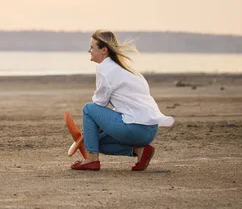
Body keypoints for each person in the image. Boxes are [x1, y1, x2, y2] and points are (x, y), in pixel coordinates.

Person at [71, 30, 174, 171]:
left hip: (135, 128)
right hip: (150, 130)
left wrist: (92, 130)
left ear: (104, 50)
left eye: (92, 47)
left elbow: (99, 103)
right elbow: (125, 105)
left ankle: (92, 160)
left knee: (88, 109)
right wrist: (91, 134)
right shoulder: (126, 68)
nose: (89, 50)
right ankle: (140, 151)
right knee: (95, 142)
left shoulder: (105, 68)